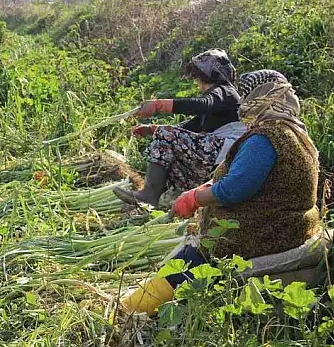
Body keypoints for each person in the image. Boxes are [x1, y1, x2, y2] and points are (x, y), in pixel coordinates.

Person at [121, 70, 321, 314]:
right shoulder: (295, 133)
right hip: (290, 226)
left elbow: (235, 188)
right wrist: (207, 187)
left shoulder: (266, 137)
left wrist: (196, 198)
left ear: (256, 98)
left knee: (192, 259)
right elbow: (257, 180)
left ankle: (132, 309)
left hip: (266, 232)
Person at [113, 49, 246, 206]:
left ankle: (150, 194)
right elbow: (187, 129)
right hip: (217, 153)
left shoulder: (225, 91)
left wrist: (158, 105)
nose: (197, 83)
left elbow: (202, 104)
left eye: (198, 78)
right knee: (165, 139)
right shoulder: (216, 105)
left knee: (166, 135)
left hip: (227, 149)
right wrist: (151, 129)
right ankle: (167, 197)